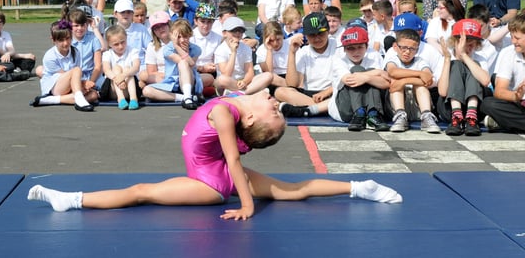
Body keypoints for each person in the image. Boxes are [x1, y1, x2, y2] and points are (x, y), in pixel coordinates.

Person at [27, 90, 402, 216]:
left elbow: (235, 161)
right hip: (216, 169)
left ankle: (72, 201)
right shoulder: (240, 100)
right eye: (277, 109)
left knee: (141, 191)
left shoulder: (225, 115)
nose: (274, 102)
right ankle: (360, 187)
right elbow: (278, 89)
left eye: (273, 111)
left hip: (208, 182)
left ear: (252, 117)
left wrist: (247, 205)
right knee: (294, 190)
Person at [274, 12, 335, 118]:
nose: (317, 39)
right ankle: (322, 108)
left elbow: (346, 77)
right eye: (312, 35)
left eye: (320, 33)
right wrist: (292, 53)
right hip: (310, 95)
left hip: (333, 92)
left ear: (328, 31)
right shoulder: (303, 52)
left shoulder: (338, 47)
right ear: (306, 35)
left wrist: (326, 92)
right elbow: (292, 84)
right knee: (280, 92)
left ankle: (308, 109)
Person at [328, 26, 390, 132]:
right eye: (350, 48)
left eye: (359, 47)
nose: (355, 52)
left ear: (366, 46)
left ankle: (373, 114)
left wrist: (367, 78)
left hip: (369, 103)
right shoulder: (338, 60)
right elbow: (349, 79)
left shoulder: (374, 56)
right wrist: (377, 72)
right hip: (345, 108)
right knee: (357, 69)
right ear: (344, 49)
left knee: (369, 75)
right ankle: (359, 113)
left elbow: (386, 83)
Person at [437, 19, 489, 136]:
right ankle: (457, 116)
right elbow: (442, 92)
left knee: (474, 66)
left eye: (472, 45)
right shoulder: (446, 57)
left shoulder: (480, 58)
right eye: (466, 45)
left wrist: (465, 56)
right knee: (456, 65)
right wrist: (447, 60)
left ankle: (471, 117)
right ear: (455, 43)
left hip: (475, 107)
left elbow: (485, 81)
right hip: (449, 107)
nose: (469, 48)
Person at [30, 20, 95, 112]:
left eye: (68, 38)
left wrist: (83, 85)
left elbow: (74, 78)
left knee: (94, 95)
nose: (65, 43)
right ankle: (79, 99)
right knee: (76, 70)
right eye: (61, 40)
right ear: (53, 40)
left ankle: (51, 100)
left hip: (69, 86)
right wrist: (83, 83)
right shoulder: (50, 56)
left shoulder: (75, 52)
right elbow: (67, 76)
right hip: (54, 87)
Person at [385, 29, 440, 134]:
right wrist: (419, 74)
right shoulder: (393, 60)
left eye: (412, 49)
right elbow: (393, 72)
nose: (407, 52)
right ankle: (400, 116)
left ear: (417, 50)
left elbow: (428, 80)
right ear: (395, 47)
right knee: (396, 83)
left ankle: (426, 116)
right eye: (404, 48)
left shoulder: (420, 61)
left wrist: (404, 81)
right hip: (396, 106)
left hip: (417, 106)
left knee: (421, 87)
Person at [480, 12, 525, 133]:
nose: (513, 41)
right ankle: (511, 122)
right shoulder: (508, 53)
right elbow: (499, 91)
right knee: (488, 104)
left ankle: (505, 123)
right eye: (511, 37)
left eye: (517, 38)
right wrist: (516, 96)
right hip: (518, 104)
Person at [142, 19, 203, 109]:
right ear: (173, 36)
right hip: (173, 82)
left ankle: (188, 95)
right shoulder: (167, 49)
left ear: (190, 35)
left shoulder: (196, 49)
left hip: (189, 81)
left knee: (183, 63)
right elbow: (178, 59)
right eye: (178, 37)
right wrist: (176, 46)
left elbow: (190, 63)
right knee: (147, 90)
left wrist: (178, 47)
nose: (182, 40)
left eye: (185, 36)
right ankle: (184, 97)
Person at [214, 17, 273, 95]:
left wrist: (244, 81)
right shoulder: (220, 50)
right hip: (228, 82)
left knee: (268, 76)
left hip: (243, 82)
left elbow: (249, 72)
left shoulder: (246, 48)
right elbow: (226, 74)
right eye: (233, 31)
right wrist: (233, 52)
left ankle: (239, 93)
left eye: (241, 31)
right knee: (221, 79)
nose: (238, 33)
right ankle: (248, 92)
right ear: (225, 33)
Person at [101, 25, 141, 110]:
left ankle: (134, 99)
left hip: (130, 87)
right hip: (113, 89)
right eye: (116, 44)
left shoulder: (133, 51)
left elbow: (136, 67)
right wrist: (118, 79)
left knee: (127, 69)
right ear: (109, 44)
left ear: (126, 38)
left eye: (123, 42)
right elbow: (106, 70)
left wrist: (123, 76)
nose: (120, 46)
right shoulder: (107, 54)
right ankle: (120, 98)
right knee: (116, 68)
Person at [0, 9, 36, 74]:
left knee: (30, 60)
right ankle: (15, 72)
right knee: (9, 65)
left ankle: (18, 72)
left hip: (8, 58)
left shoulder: (6, 34)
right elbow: (1, 53)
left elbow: (11, 50)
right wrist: (24, 55)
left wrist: (8, 54)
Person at [190, 3, 221, 95]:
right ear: (195, 21)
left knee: (216, 78)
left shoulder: (218, 38)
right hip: (194, 70)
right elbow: (186, 61)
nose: (206, 25)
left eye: (209, 22)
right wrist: (202, 68)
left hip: (212, 71)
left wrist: (215, 66)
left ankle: (205, 89)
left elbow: (219, 58)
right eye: (202, 21)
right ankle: (207, 88)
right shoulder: (189, 37)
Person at [113, 0, 152, 64]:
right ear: (115, 14)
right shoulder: (110, 31)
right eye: (122, 12)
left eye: (128, 12)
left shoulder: (141, 29)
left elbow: (150, 47)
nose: (126, 15)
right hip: (118, 66)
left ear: (132, 14)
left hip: (140, 66)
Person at [139, 11, 172, 87]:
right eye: (156, 28)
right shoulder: (152, 46)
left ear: (169, 24)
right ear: (153, 31)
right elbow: (151, 72)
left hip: (180, 75)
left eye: (163, 25)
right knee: (143, 75)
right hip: (161, 76)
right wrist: (166, 75)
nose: (160, 29)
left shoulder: (180, 40)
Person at [255, 21, 290, 90]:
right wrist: (269, 50)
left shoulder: (289, 45)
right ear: (265, 39)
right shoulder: (261, 50)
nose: (275, 43)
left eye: (278, 39)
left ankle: (291, 86)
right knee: (269, 77)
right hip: (272, 78)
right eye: (271, 40)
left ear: (282, 36)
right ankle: (291, 87)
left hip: (288, 75)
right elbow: (268, 72)